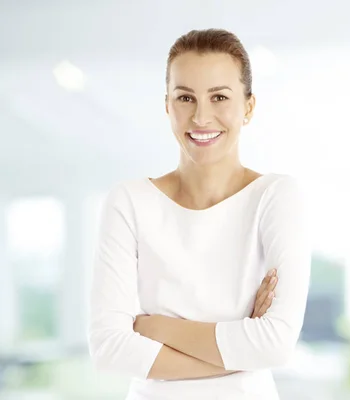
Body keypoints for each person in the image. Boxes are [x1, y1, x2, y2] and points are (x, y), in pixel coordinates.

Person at [87, 28, 312, 399]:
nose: (201, 116)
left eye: (219, 97)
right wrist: (241, 347)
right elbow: (109, 349)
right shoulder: (128, 201)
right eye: (185, 97)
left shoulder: (275, 197)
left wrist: (155, 327)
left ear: (249, 107)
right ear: (167, 106)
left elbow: (275, 344)